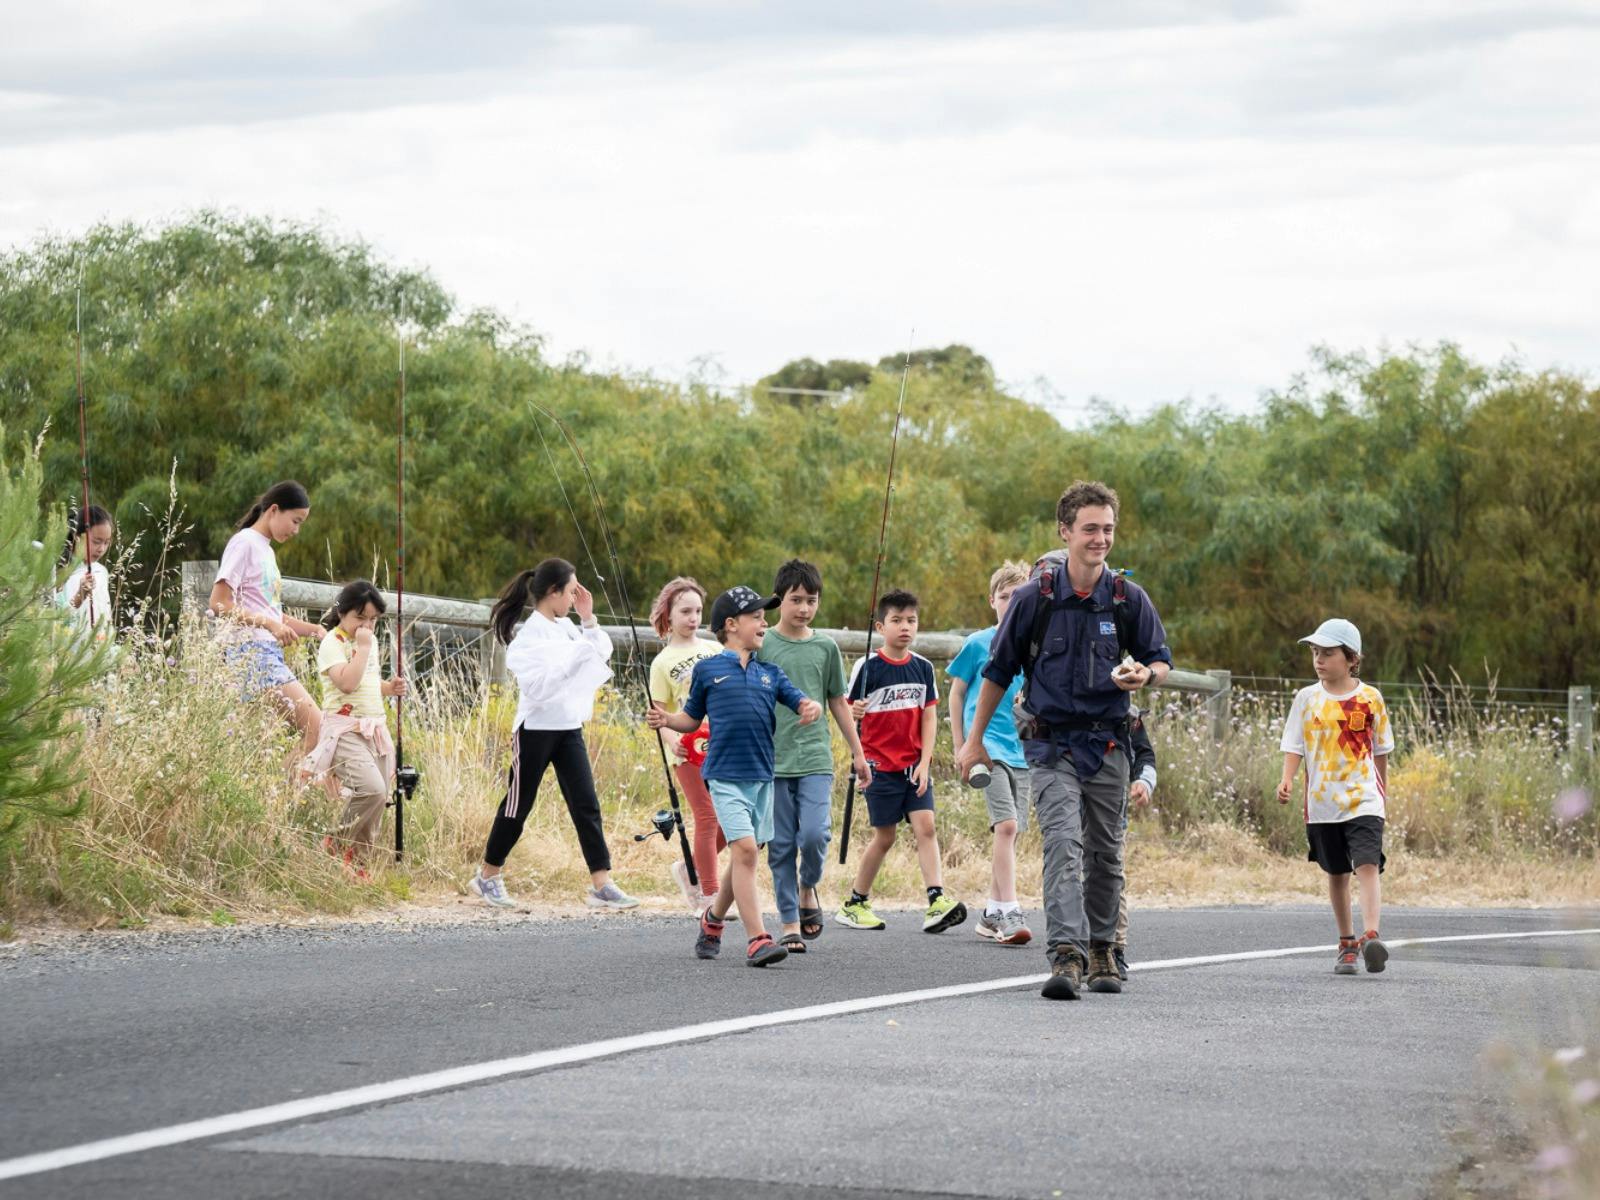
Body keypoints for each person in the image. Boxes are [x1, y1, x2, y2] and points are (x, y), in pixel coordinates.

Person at [957, 480, 1172, 1000]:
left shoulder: (1127, 599)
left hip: (1109, 746)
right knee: (1061, 844)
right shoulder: (1034, 599)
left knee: (1105, 852)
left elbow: (1161, 659)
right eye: (1090, 529)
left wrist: (1146, 675)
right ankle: (1067, 956)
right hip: (1050, 746)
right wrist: (973, 742)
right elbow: (998, 672)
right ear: (1066, 531)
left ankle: (1104, 950)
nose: (1100, 539)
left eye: (1108, 530)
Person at [647, 585, 823, 968]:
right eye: (756, 617)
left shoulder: (770, 673)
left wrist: (812, 708)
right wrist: (667, 721)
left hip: (762, 778)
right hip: (725, 777)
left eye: (764, 616)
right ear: (731, 625)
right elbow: (691, 718)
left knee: (743, 857)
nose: (764, 622)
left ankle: (712, 922)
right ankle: (758, 938)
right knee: (744, 851)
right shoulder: (708, 670)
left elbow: (800, 700)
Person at [468, 558, 640, 912]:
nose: (575, 598)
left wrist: (588, 619)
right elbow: (539, 688)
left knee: (586, 804)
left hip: (568, 728)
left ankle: (601, 883)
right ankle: (487, 876)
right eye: (572, 591)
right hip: (534, 731)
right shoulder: (528, 638)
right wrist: (575, 659)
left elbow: (600, 651)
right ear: (553, 592)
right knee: (519, 805)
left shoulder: (567, 628)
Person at [835, 589, 966, 935]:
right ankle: (855, 902)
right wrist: (854, 711)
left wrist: (925, 762)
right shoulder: (868, 666)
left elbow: (929, 717)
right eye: (896, 620)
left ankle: (936, 899)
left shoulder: (923, 667)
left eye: (911, 620)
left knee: (927, 827)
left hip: (913, 767)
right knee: (886, 837)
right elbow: (847, 711)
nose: (905, 627)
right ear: (881, 626)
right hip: (879, 767)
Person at [757, 559, 870, 953]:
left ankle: (809, 887)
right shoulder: (763, 644)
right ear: (779, 601)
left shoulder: (826, 647)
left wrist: (858, 753)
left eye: (811, 600)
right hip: (772, 760)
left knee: (814, 835)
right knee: (782, 843)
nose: (804, 608)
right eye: (796, 599)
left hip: (816, 758)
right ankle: (788, 920)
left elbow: (838, 702)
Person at [1276, 618, 1394, 975]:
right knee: (1337, 871)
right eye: (1315, 653)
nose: (1319, 660)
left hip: (1364, 800)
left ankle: (1371, 935)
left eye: (1328, 653)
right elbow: (1293, 745)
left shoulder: (1370, 698)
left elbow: (1381, 750)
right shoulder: (1307, 699)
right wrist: (1287, 780)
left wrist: (1382, 793)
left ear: (1351, 659)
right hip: (1322, 803)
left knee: (1367, 864)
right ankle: (1346, 943)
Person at [208, 481, 324, 779]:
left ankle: (273, 804)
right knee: (317, 729)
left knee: (260, 746)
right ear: (274, 510)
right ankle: (282, 799)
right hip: (252, 653)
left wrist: (315, 630)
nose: (297, 530)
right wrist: (270, 624)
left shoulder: (266, 551)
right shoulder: (244, 542)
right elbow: (219, 603)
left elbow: (270, 612)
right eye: (295, 521)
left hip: (266, 653)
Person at [948, 560, 1033, 946]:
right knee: (1007, 825)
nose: (1012, 603)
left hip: (1025, 750)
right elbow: (956, 692)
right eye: (1004, 596)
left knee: (1013, 833)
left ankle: (992, 912)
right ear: (991, 601)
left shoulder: (1036, 646)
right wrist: (961, 744)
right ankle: (1011, 911)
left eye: (1020, 596)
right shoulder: (978, 643)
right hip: (986, 747)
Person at [304, 580, 408, 876]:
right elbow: (347, 684)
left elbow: (365, 680)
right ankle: (335, 841)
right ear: (342, 613)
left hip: (374, 728)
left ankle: (358, 863)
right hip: (345, 730)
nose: (367, 626)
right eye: (360, 617)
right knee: (371, 789)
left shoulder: (368, 643)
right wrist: (362, 648)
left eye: (373, 619)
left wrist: (389, 688)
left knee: (381, 797)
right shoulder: (332, 643)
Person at [648, 576, 724, 911]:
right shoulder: (662, 662)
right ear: (670, 613)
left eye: (697, 611)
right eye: (685, 611)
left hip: (721, 744)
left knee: (731, 819)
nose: (692, 618)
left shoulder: (714, 649)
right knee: (706, 817)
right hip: (687, 751)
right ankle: (711, 895)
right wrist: (673, 739)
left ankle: (688, 868)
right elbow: (658, 715)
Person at [1114, 706, 1158, 979]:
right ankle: (1069, 946)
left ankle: (1114, 948)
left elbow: (1144, 752)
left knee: (1110, 870)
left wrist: (1144, 781)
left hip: (1112, 797)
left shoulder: (1126, 708)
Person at [56, 504, 114, 642]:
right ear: (77, 537)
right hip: (66, 654)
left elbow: (106, 619)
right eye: (96, 542)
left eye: (106, 543)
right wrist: (78, 597)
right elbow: (53, 621)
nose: (101, 549)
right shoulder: (59, 572)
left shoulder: (101, 572)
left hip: (96, 652)